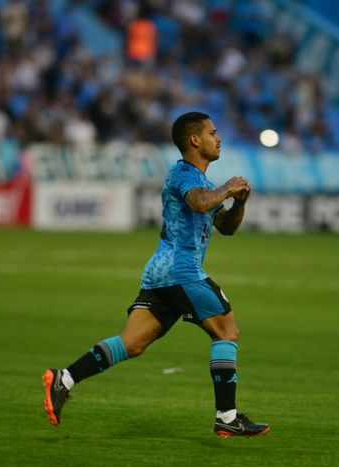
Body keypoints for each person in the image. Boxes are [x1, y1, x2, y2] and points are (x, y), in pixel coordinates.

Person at [42, 112, 270, 438]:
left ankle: (64, 378)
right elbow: (200, 203)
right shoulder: (183, 174)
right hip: (181, 270)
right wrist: (227, 188)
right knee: (227, 332)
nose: (218, 138)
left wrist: (239, 204)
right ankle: (227, 416)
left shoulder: (202, 182)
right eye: (212, 133)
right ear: (195, 140)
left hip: (160, 273)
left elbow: (226, 226)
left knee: (132, 343)